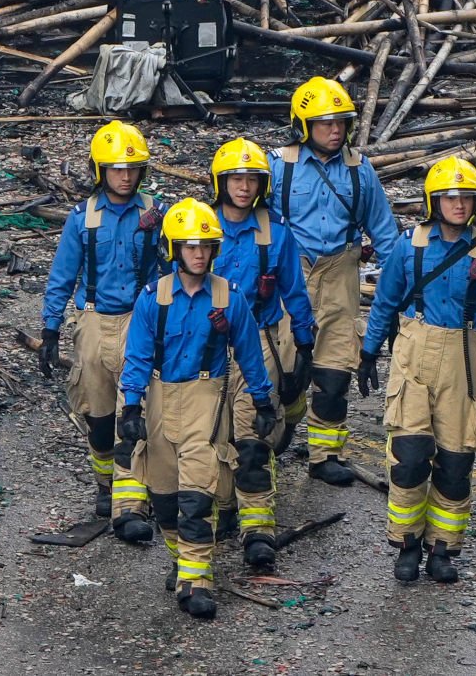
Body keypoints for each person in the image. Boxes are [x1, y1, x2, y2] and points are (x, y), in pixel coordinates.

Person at [361, 154, 476, 586]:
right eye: (450, 197)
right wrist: (368, 351)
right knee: (409, 459)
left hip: (465, 360)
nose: (458, 205)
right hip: (413, 355)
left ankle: (443, 549)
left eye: (466, 198)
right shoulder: (408, 245)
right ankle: (408, 542)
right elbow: (385, 302)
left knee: (455, 462)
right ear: (433, 200)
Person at [118, 198, 280, 618]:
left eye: (206, 246)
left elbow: (248, 352)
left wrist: (261, 399)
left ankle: (196, 581)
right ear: (174, 249)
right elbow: (136, 356)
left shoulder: (230, 297)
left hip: (206, 400)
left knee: (197, 495)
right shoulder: (153, 298)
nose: (199, 254)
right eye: (191, 246)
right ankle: (182, 557)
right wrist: (131, 406)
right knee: (164, 498)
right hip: (158, 397)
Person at [37, 121, 163, 540]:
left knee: (136, 410)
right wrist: (50, 329)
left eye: (131, 168)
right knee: (98, 414)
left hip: (140, 319)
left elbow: (176, 270)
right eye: (115, 168)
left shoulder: (156, 212)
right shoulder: (83, 218)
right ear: (100, 170)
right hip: (93, 319)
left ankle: (131, 505)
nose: (124, 176)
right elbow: (62, 274)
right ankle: (105, 483)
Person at [270, 73, 396, 485]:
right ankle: (283, 421)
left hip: (342, 270)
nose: (335, 129)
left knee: (335, 368)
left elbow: (386, 233)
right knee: (286, 365)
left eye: (341, 121)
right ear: (303, 126)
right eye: (325, 122)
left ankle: (325, 454)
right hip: (293, 271)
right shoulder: (277, 167)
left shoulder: (361, 172)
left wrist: (402, 291)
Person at [205, 137, 314, 573]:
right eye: (236, 178)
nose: (244, 187)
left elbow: (295, 290)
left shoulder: (276, 233)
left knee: (252, 436)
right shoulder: (198, 229)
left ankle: (259, 528)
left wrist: (304, 343)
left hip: (259, 341)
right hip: (207, 347)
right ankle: (222, 507)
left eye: (252, 179)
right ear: (221, 182)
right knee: (213, 433)